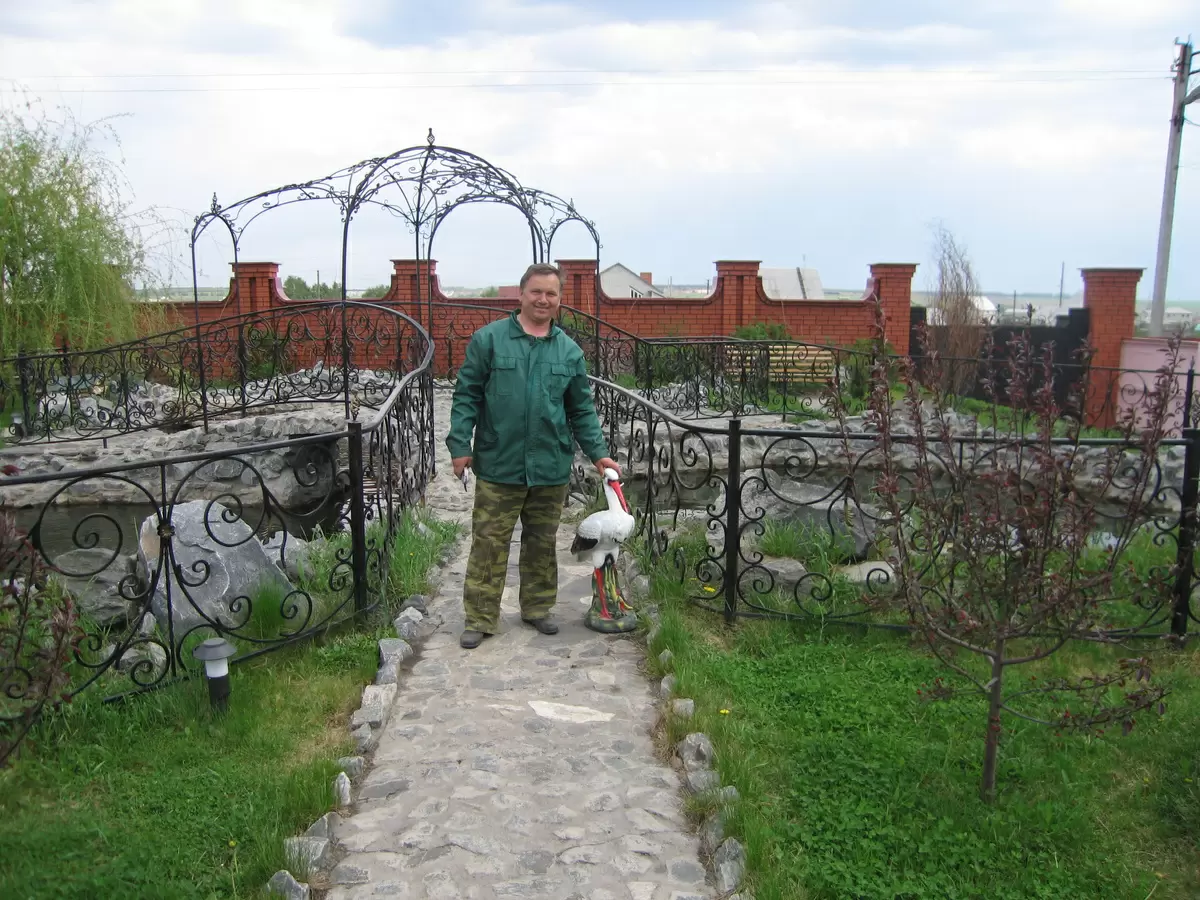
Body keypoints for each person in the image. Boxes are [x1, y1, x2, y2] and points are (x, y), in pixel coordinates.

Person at [446, 263, 621, 649]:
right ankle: (480, 617)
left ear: (559, 300)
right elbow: (467, 396)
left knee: (542, 544)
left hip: (549, 466)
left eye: (551, 294)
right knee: (490, 543)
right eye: (536, 292)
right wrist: (460, 446)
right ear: (521, 295)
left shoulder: (569, 352)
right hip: (498, 463)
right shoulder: (489, 341)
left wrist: (599, 455)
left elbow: (581, 411)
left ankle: (538, 609)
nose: (543, 299)